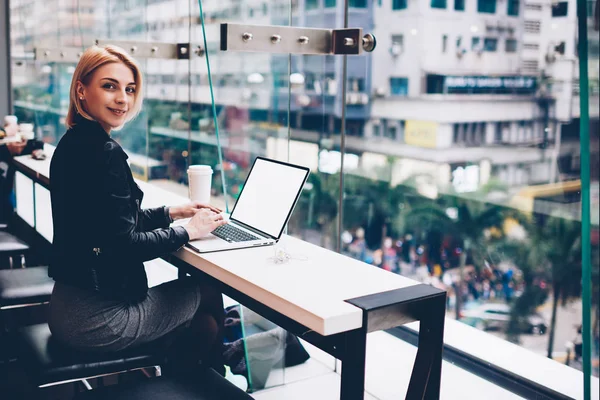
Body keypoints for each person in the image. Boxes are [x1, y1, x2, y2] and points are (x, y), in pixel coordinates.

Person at [48, 45, 228, 376]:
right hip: (97, 321)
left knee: (203, 324)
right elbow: (123, 246)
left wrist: (173, 212)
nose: (123, 99)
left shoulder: (72, 143)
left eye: (129, 89)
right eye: (109, 86)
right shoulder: (104, 153)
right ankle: (188, 384)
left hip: (65, 308)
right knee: (207, 292)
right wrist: (189, 230)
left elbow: (109, 225)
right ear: (81, 90)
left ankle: (180, 378)